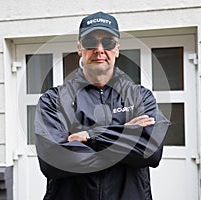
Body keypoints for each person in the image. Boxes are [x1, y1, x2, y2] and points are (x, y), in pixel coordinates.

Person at [35, 11, 170, 200]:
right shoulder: (53, 100)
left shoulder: (140, 97)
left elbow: (151, 151)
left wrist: (91, 136)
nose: (99, 49)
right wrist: (126, 135)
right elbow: (53, 161)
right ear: (79, 48)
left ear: (117, 49)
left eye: (107, 43)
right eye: (90, 42)